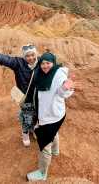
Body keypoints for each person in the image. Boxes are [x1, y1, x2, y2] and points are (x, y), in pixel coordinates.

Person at [0, 44, 38, 147]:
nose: (31, 58)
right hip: (24, 97)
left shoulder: (40, 63)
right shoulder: (19, 63)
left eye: (33, 55)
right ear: (24, 56)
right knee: (27, 116)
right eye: (28, 56)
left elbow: (51, 65)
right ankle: (25, 133)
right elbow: (6, 59)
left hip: (37, 97)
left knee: (36, 115)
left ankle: (33, 129)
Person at [26, 52, 74, 182]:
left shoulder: (58, 75)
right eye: (42, 63)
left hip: (51, 116)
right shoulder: (42, 74)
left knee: (44, 145)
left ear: (53, 63)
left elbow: (62, 92)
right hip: (57, 114)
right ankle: (56, 150)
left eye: (48, 63)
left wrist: (65, 88)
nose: (45, 66)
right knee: (54, 132)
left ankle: (42, 173)